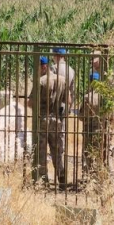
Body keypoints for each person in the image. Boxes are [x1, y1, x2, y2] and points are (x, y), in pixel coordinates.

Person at [28, 56, 70, 188]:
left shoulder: (40, 81)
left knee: (41, 150)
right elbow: (68, 101)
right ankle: (62, 177)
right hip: (57, 119)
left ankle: (43, 180)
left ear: (44, 66)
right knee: (57, 150)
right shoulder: (62, 80)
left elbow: (31, 102)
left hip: (43, 119)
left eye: (39, 67)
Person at [79, 72, 101, 175]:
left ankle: (87, 175)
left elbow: (81, 116)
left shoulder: (87, 97)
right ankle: (98, 174)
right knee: (99, 152)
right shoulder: (103, 97)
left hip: (88, 128)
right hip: (100, 129)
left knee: (87, 153)